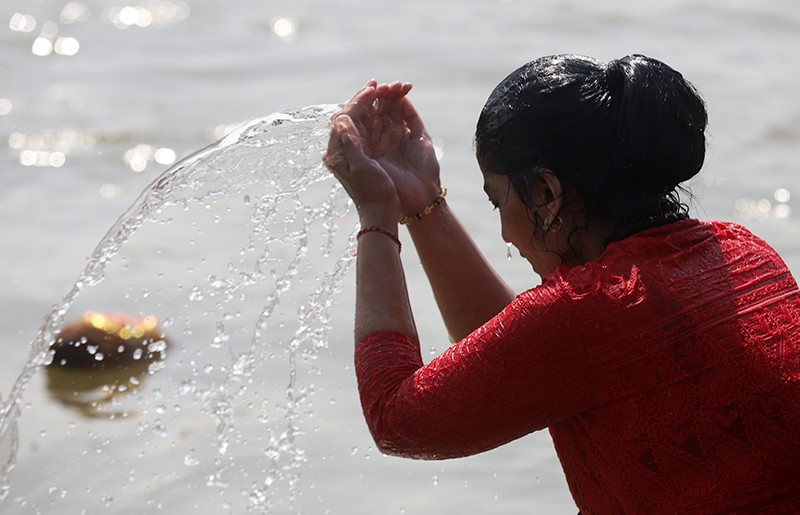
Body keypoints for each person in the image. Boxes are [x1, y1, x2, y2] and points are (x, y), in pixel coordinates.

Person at [322, 54, 800, 513]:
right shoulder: (743, 253)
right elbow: (526, 359)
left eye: (497, 203)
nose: (506, 235)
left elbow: (396, 418)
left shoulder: (590, 310)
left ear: (547, 193)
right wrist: (422, 202)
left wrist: (376, 216)